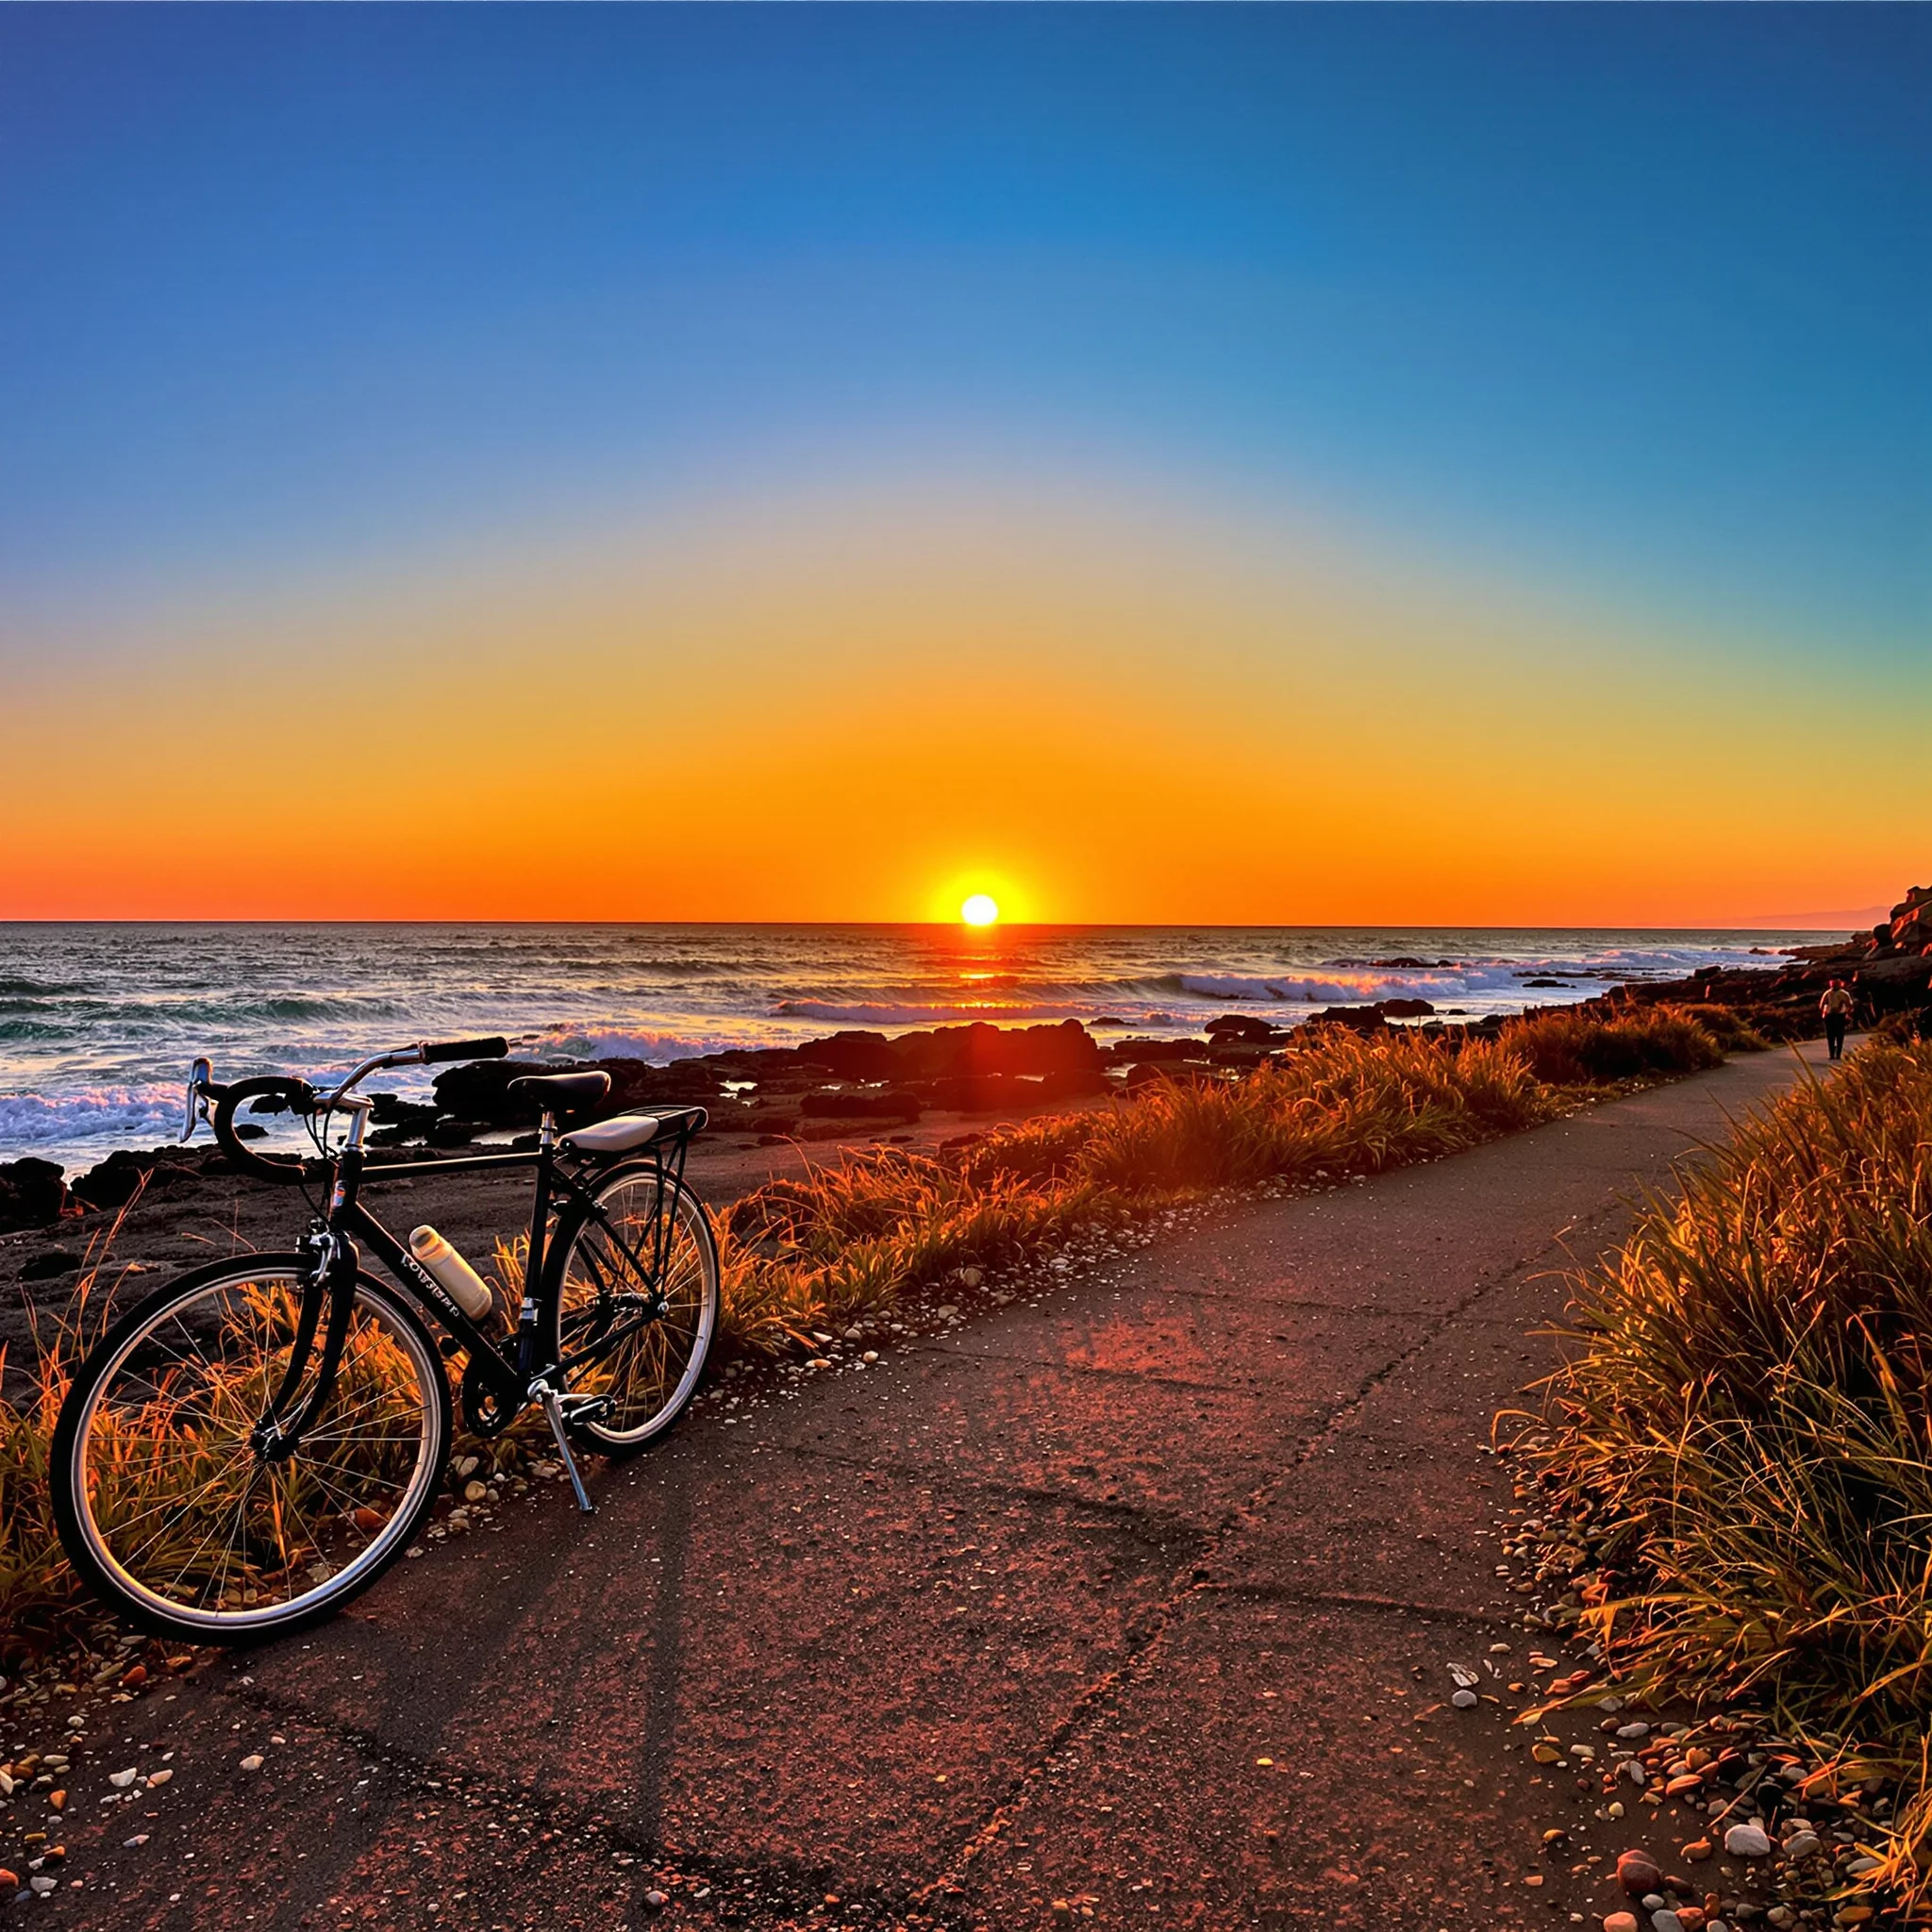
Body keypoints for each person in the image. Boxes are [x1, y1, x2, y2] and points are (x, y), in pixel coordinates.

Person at [1820, 978, 1854, 1061]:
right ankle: (1832, 1053)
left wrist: (1846, 1013)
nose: (1833, 985)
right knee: (1830, 1036)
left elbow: (1849, 1005)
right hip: (1829, 1015)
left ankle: (1838, 1054)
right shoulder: (1827, 993)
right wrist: (1824, 1012)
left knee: (1839, 1035)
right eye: (1832, 983)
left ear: (1840, 984)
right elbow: (1821, 1004)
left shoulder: (1844, 993)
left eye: (1836, 983)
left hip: (1839, 1015)